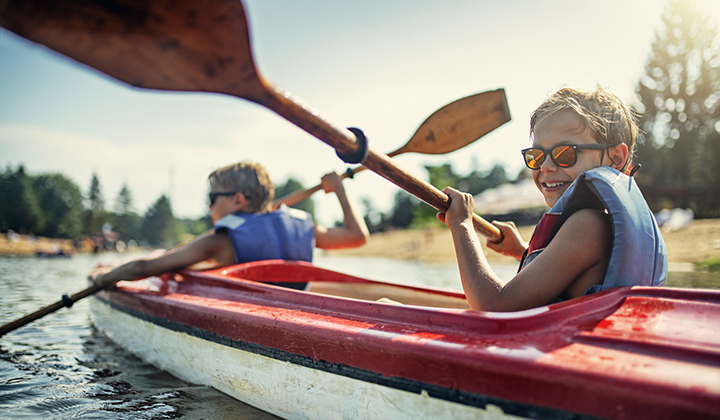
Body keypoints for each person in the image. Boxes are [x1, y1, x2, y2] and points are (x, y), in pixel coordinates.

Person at [437, 86, 667, 312]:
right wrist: (523, 251)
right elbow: (572, 271)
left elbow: (494, 306)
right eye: (536, 156)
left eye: (565, 153)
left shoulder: (587, 225)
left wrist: (461, 224)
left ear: (615, 157)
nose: (545, 167)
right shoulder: (595, 225)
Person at [89, 161, 369, 287]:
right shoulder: (302, 228)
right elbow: (357, 237)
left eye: (212, 197)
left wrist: (104, 277)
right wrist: (340, 191)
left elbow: (143, 268)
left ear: (237, 200)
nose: (209, 205)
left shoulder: (218, 241)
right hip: (298, 314)